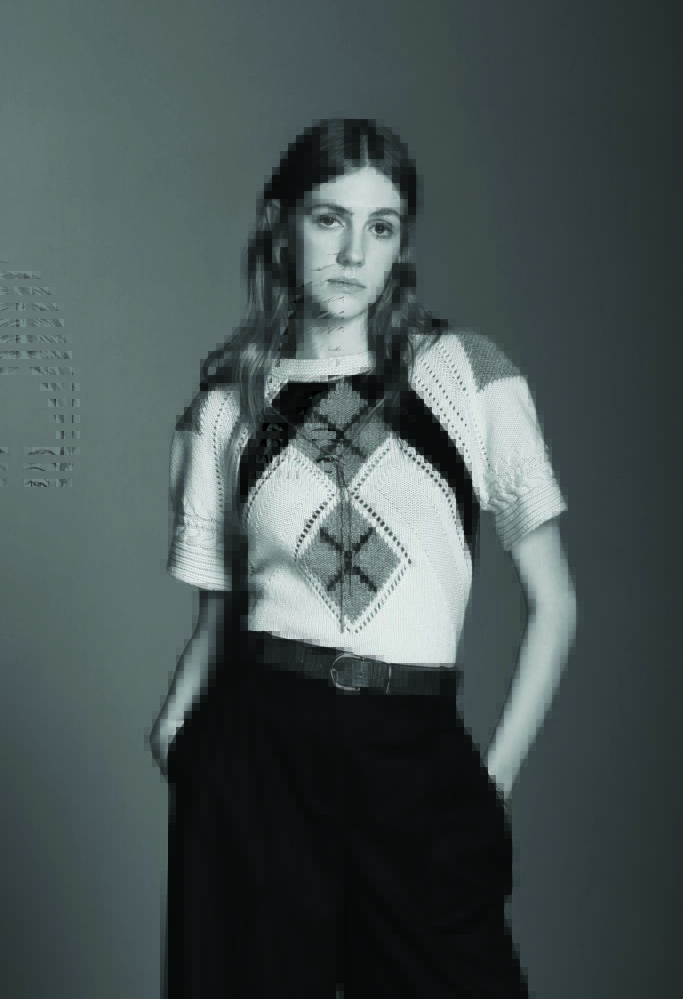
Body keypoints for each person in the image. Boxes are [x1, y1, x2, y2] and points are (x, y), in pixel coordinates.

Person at [147, 117, 577, 998]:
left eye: (380, 227)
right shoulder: (229, 406)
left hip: (415, 755)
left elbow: (555, 603)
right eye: (327, 219)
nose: (352, 252)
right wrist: (178, 735)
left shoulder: (465, 375)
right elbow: (214, 623)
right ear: (280, 227)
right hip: (261, 753)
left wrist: (491, 781)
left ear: (400, 246)